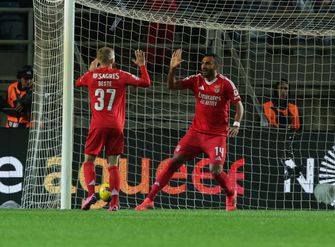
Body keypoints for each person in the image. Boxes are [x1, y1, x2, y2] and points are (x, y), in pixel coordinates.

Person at [135, 49, 244, 211]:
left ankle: (230, 194)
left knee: (215, 170)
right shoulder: (196, 80)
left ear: (217, 66)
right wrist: (172, 69)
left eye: (207, 63)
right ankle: (149, 199)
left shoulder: (226, 83)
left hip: (216, 135)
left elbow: (239, 106)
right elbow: (171, 86)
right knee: (174, 162)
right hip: (195, 133)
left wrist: (236, 124)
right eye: (202, 63)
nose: (203, 66)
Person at [76, 47, 151, 211]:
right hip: (116, 126)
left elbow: (77, 82)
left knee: (88, 160)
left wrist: (90, 70)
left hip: (97, 125)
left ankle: (90, 194)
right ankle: (115, 203)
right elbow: (146, 82)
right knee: (113, 165)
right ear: (113, 60)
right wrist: (142, 65)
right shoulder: (120, 74)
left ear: (97, 60)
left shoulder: (91, 76)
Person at [263, 79, 301, 179]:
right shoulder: (267, 106)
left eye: (286, 89)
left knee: (286, 149)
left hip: (287, 137)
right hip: (271, 137)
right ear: (276, 90)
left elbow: (297, 125)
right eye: (281, 88)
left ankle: (289, 169)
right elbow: (270, 122)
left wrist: (289, 126)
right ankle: (289, 168)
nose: (283, 91)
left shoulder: (293, 107)